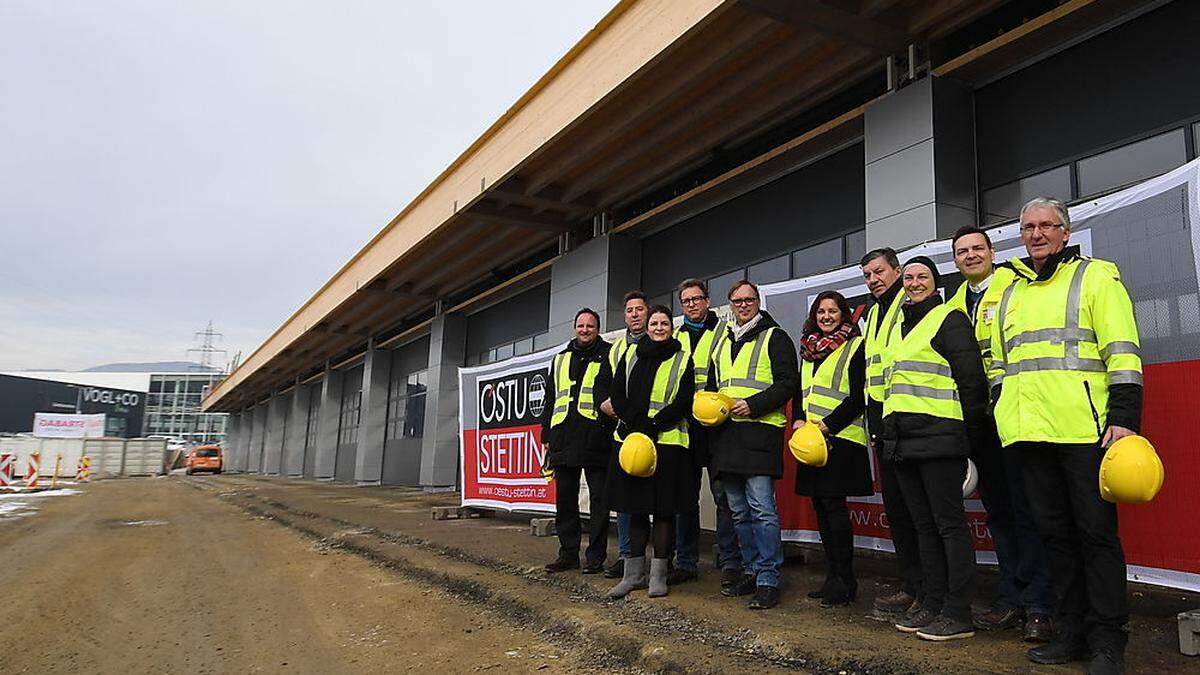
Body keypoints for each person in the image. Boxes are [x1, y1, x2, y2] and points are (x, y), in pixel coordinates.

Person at [990, 197, 1142, 675]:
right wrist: (1002, 410)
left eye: (1046, 226)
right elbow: (1000, 362)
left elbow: (1122, 350)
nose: (1036, 234)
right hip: (1028, 433)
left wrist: (1124, 418)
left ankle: (1107, 641)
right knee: (1054, 537)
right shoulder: (1011, 290)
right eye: (1028, 227)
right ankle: (1071, 632)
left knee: (1096, 536)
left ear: (1065, 232)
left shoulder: (1096, 276)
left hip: (1086, 431)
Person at [947, 225, 1054, 641]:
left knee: (1028, 509)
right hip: (977, 419)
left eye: (977, 248)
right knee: (999, 512)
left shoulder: (1017, 283)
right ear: (955, 260)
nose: (971, 256)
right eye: (962, 251)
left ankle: (1040, 604)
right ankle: (1012, 596)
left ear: (992, 251)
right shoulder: (954, 302)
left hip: (1018, 411)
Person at [882, 256, 989, 641]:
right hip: (905, 440)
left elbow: (972, 382)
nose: (913, 283)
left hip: (941, 439)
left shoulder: (950, 318)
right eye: (908, 277)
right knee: (924, 527)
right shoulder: (901, 326)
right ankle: (932, 601)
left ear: (935, 282)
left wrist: (970, 443)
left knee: (949, 526)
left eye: (921, 276)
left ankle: (958, 612)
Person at [707, 280, 798, 610]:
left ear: (758, 301)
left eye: (749, 299)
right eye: (737, 300)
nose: (743, 305)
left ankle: (769, 578)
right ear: (730, 304)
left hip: (759, 436)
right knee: (739, 513)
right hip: (727, 439)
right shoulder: (723, 341)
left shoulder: (776, 337)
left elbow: (789, 383)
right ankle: (751, 570)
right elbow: (714, 387)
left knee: (762, 510)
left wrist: (755, 404)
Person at [606, 305, 696, 598]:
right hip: (633, 442)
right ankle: (633, 575)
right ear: (647, 327)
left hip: (668, 444)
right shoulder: (631, 355)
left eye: (664, 323)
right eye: (654, 323)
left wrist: (654, 422)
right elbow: (617, 393)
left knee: (664, 512)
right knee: (635, 509)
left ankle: (658, 576)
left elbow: (684, 400)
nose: (659, 327)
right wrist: (636, 421)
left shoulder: (683, 358)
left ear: (671, 327)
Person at [791, 291, 872, 608]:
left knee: (835, 510)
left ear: (844, 314)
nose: (826, 316)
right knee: (822, 510)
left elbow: (857, 397)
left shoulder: (856, 345)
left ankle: (846, 580)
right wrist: (798, 419)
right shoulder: (808, 349)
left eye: (833, 311)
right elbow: (801, 392)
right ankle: (832, 576)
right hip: (811, 443)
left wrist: (826, 426)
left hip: (840, 440)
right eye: (821, 311)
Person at [860, 248, 924, 614]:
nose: (874, 279)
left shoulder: (909, 303)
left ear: (897, 271)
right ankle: (912, 585)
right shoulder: (873, 313)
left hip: (912, 422)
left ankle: (929, 590)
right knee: (898, 513)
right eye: (868, 275)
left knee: (920, 514)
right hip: (884, 427)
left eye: (879, 271)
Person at [669, 278, 742, 590]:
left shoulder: (725, 332)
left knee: (724, 496)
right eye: (685, 301)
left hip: (716, 426)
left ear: (708, 301)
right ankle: (685, 562)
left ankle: (730, 562)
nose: (691, 305)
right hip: (684, 426)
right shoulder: (674, 337)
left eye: (696, 299)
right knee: (684, 497)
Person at [540, 308, 613, 574]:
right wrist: (546, 434)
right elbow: (551, 399)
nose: (585, 330)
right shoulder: (560, 359)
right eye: (581, 325)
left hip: (596, 438)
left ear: (598, 328)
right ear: (575, 328)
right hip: (563, 438)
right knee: (565, 500)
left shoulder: (609, 354)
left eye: (590, 326)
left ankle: (595, 557)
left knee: (599, 502)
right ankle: (568, 554)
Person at [601, 291, 650, 580]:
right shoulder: (616, 348)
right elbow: (602, 384)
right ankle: (626, 556)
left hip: (651, 432)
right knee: (623, 500)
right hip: (622, 433)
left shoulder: (659, 342)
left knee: (653, 500)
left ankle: (660, 560)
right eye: (629, 310)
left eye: (639, 309)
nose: (634, 314)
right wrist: (605, 403)